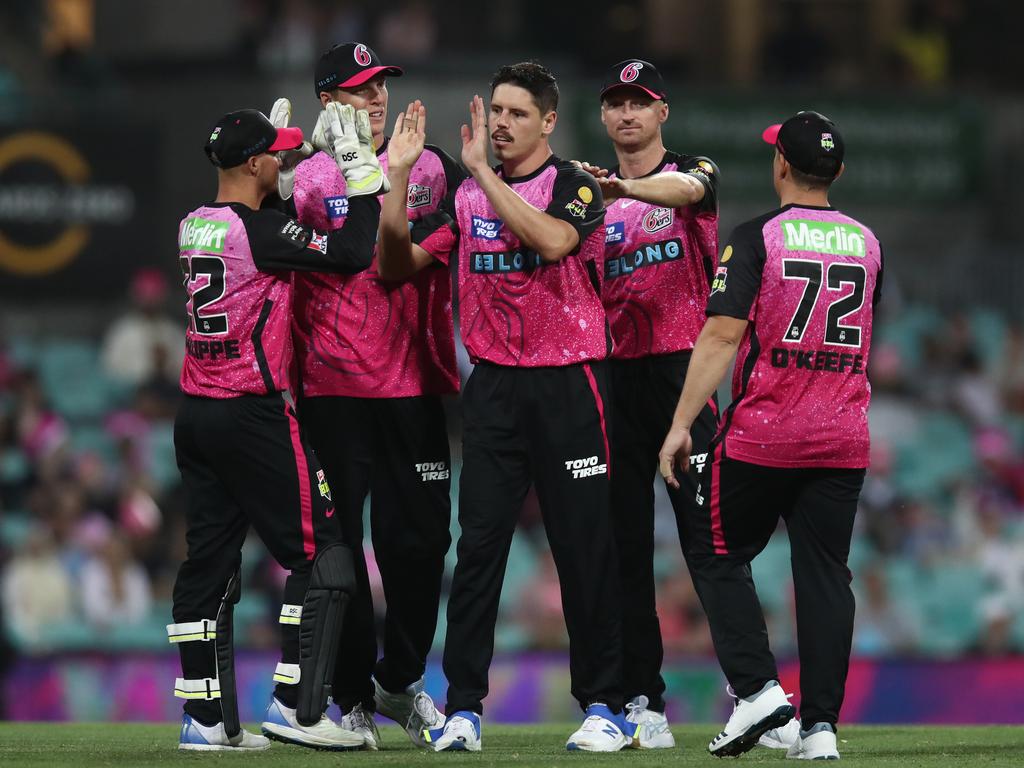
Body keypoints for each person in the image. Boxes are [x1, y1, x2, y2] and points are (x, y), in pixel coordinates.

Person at [393, 61, 628, 753]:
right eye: (495, 109)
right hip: (493, 388)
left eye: (517, 113)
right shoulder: (462, 200)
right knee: (479, 554)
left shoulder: (577, 184)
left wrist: (485, 177)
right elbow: (394, 264)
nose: (500, 122)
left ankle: (605, 706)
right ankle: (464, 708)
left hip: (569, 383)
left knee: (584, 549)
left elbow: (554, 240)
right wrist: (400, 179)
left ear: (549, 121)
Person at [658, 111, 883, 760]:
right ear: (836, 172)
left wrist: (679, 426)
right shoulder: (868, 244)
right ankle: (819, 731)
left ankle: (757, 691)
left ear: (780, 164)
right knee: (824, 578)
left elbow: (724, 333)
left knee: (714, 551)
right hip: (842, 437)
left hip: (764, 435)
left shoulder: (759, 236)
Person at [169, 105, 385, 751]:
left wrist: (282, 185)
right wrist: (362, 176)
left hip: (196, 413)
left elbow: (265, 236)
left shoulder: (195, 224)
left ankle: (205, 721)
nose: (287, 161)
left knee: (207, 566)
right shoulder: (262, 231)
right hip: (252, 413)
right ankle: (299, 705)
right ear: (255, 162)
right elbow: (351, 253)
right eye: (280, 154)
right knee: (325, 556)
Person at [288, 41, 462, 749]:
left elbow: (402, 259)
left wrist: (391, 183)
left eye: (381, 86)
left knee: (421, 543)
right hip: (331, 388)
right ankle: (352, 695)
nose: (377, 98)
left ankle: (400, 678)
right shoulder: (305, 179)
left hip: (412, 384)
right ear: (329, 101)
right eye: (360, 90)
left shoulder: (430, 169)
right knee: (342, 548)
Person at [578, 58, 721, 749]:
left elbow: (686, 191)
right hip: (615, 378)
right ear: (603, 116)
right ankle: (645, 702)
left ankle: (752, 691)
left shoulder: (694, 172)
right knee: (625, 550)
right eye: (616, 103)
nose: (627, 113)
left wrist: (621, 188)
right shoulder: (587, 196)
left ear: (663, 111)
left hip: (683, 377)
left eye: (640, 102)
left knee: (712, 544)